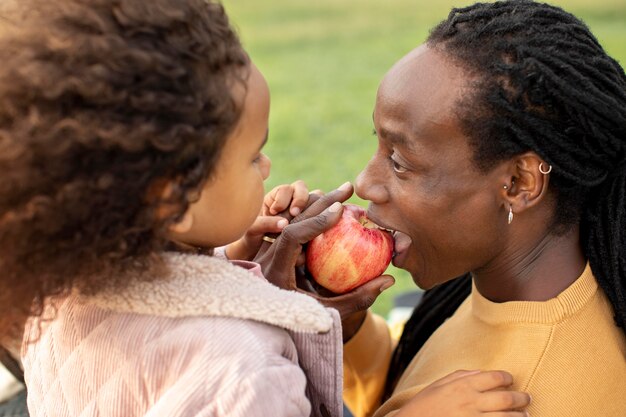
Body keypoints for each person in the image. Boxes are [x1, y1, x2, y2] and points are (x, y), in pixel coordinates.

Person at [0, 0, 531, 416]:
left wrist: (244, 279)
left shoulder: (61, 294)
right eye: (253, 154)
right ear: (174, 199)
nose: (269, 165)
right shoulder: (244, 374)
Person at [322, 1, 626, 416]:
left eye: (399, 161)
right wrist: (346, 328)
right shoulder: (507, 287)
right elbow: (417, 375)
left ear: (520, 183)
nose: (365, 183)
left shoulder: (529, 396)